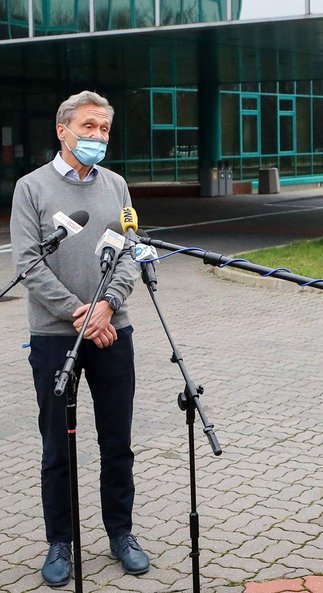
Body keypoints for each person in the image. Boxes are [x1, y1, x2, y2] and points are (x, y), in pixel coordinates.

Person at [9, 91, 150, 588]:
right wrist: (79, 312)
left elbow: (133, 251)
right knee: (57, 446)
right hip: (54, 336)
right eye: (88, 126)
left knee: (118, 442)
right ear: (62, 130)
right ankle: (60, 541)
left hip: (114, 330)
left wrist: (107, 306)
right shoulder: (30, 188)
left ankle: (121, 533)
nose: (97, 136)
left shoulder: (117, 184)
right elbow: (27, 262)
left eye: (105, 129)